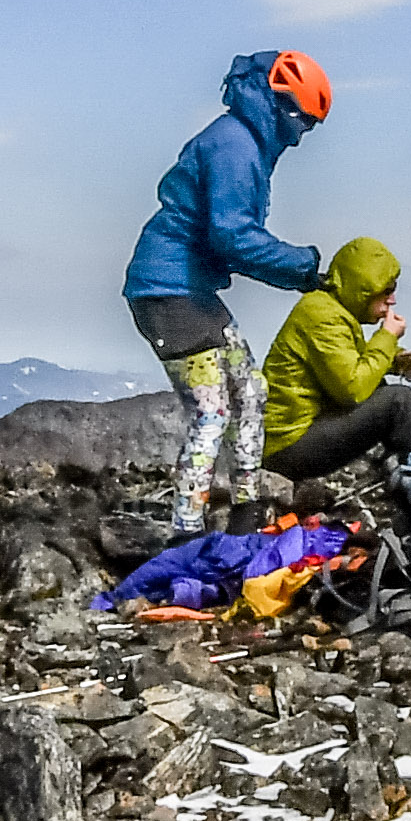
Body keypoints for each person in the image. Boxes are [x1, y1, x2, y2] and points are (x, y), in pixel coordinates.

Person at [125, 49, 338, 534]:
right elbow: (232, 237)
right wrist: (302, 266)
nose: (302, 136)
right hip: (166, 292)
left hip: (188, 289)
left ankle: (246, 510)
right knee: (213, 411)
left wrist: (301, 275)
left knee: (251, 390)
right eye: (303, 122)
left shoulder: (247, 142)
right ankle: (186, 531)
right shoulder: (235, 147)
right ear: (282, 106)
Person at [260, 237, 411, 487]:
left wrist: (396, 360)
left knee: (385, 390)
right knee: (399, 400)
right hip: (287, 447)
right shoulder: (322, 317)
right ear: (362, 290)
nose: (392, 300)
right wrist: (387, 337)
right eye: (386, 291)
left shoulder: (330, 310)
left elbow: (350, 360)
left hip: (298, 435)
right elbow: (352, 388)